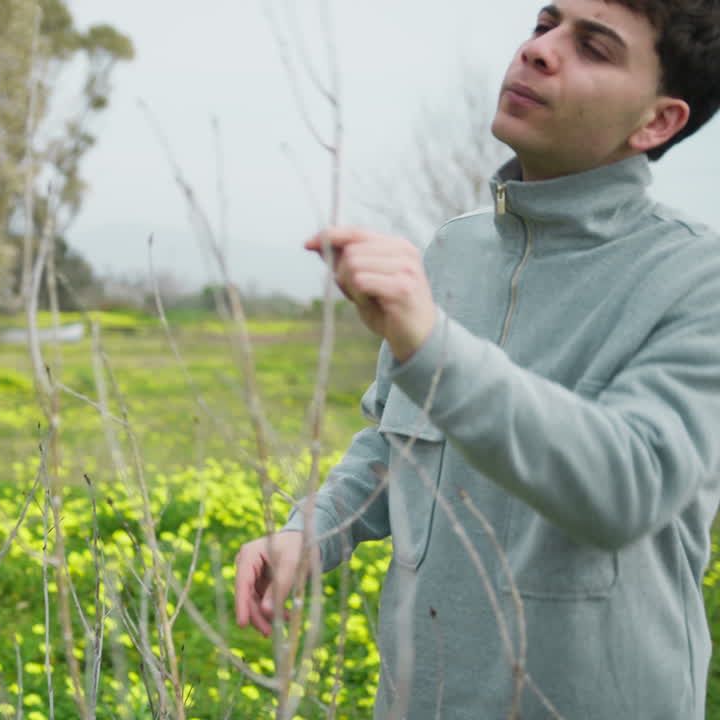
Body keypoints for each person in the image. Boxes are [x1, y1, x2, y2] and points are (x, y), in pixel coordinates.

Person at [233, 1, 720, 717]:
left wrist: (434, 346)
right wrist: (314, 530)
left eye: (594, 47)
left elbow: (629, 486)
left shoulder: (696, 280)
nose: (540, 51)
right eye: (544, 24)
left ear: (657, 122)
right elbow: (399, 441)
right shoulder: (455, 250)